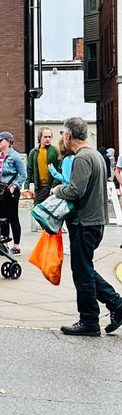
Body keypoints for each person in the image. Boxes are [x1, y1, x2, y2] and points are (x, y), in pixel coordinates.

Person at [51, 117, 122, 336]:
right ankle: (116, 305)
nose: (62, 138)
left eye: (63, 134)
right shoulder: (95, 155)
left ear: (69, 136)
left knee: (82, 274)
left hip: (84, 222)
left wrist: (57, 190)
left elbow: (75, 191)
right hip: (94, 221)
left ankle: (89, 320)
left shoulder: (82, 157)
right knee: (85, 269)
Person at [0, 131, 26, 255]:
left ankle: (16, 246)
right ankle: (4, 243)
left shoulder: (15, 156)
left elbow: (23, 174)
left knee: (13, 217)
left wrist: (15, 185)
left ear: (8, 141)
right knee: (1, 217)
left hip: (10, 191)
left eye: (0, 140)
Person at [25, 127, 60, 205]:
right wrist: (26, 186)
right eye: (45, 137)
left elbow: (59, 169)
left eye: (49, 137)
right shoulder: (34, 152)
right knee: (37, 208)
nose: (47, 139)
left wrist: (55, 185)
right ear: (40, 137)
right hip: (39, 188)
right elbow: (29, 169)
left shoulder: (55, 151)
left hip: (52, 187)